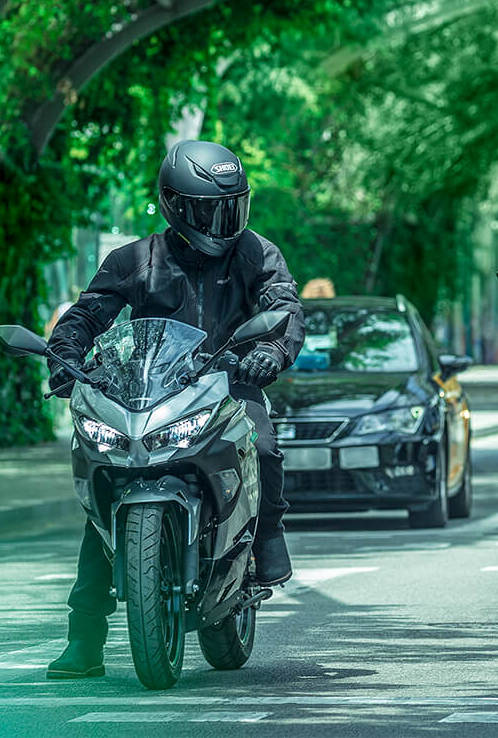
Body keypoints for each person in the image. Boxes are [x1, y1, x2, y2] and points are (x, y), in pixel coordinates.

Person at [44, 139, 305, 679]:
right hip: (147, 394)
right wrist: (65, 359)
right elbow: (85, 316)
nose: (223, 220)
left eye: (232, 206)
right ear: (176, 205)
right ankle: (84, 637)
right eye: (211, 209)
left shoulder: (258, 254)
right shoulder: (134, 260)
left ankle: (266, 541)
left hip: (229, 386)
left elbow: (284, 308)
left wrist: (271, 351)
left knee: (264, 442)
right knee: (106, 497)